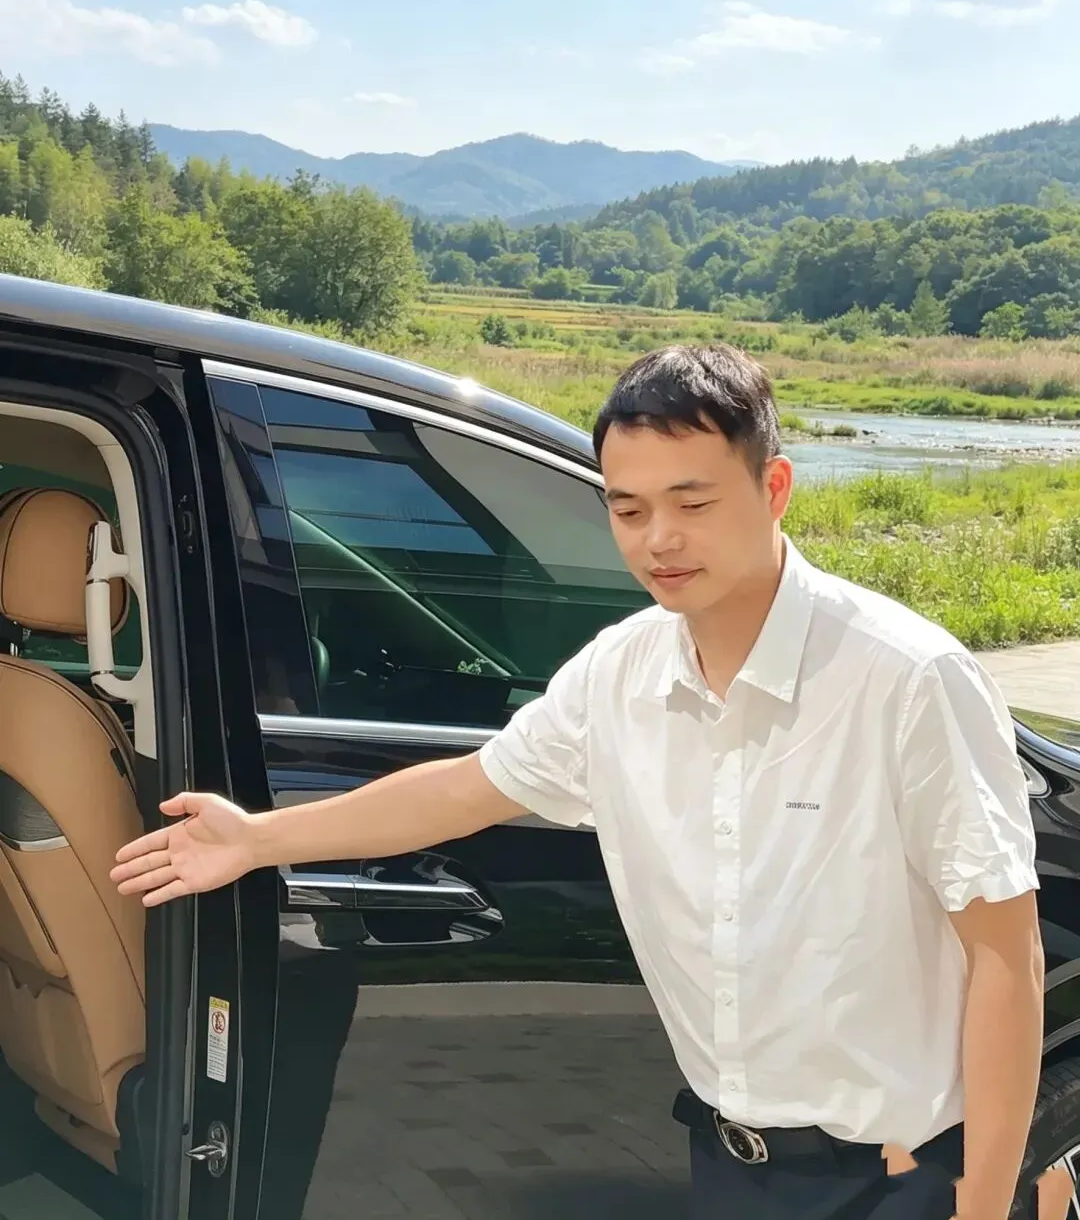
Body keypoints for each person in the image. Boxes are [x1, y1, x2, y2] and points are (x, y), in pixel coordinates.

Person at [112, 343, 1044, 1220]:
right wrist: (257, 838)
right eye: (628, 510)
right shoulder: (619, 674)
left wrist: (983, 1206)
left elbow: (1008, 955)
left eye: (693, 502)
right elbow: (466, 789)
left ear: (775, 488)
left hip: (901, 1173)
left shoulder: (905, 678)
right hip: (734, 1160)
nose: (660, 539)